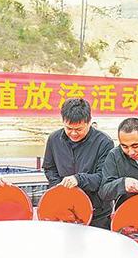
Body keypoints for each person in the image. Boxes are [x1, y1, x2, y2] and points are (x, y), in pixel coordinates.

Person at [42, 98, 114, 229]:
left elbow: (104, 177)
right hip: (64, 208)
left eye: (79, 129)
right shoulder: (54, 139)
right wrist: (59, 186)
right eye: (69, 128)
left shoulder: (104, 142)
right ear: (63, 121)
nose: (74, 133)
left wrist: (78, 179)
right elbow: (49, 168)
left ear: (89, 122)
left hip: (97, 212)